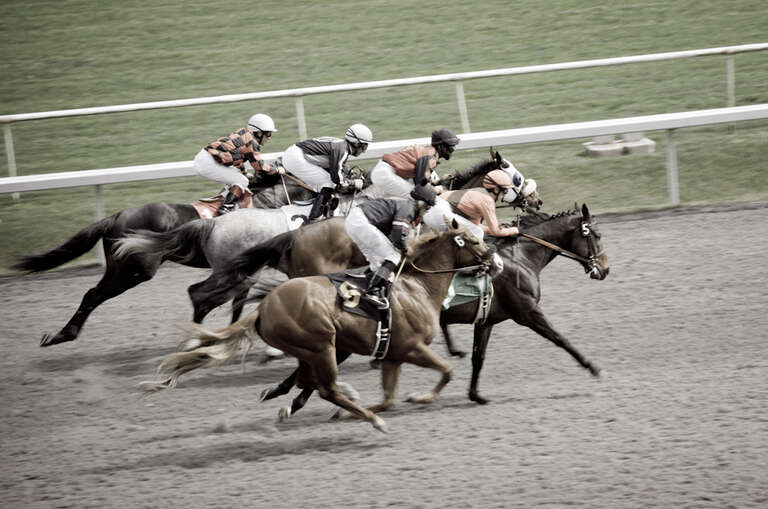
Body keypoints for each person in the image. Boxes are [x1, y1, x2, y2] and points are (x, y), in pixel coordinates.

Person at [344, 195, 428, 309]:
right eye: (427, 208)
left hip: (352, 221)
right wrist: (405, 249)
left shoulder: (406, 204)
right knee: (394, 256)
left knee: (377, 263)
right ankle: (372, 292)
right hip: (362, 221)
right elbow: (397, 236)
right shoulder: (408, 208)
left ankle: (364, 285)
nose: (425, 213)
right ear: (422, 205)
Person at [281, 123, 372, 221]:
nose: (363, 151)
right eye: (364, 146)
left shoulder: (342, 146)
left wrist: (352, 177)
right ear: (356, 143)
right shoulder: (342, 150)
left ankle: (316, 209)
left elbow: (341, 168)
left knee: (326, 183)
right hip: (295, 158)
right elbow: (338, 180)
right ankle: (313, 220)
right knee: (328, 183)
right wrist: (354, 183)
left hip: (294, 154)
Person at [194, 113, 280, 215]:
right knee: (241, 181)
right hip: (208, 163)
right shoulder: (252, 143)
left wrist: (244, 172)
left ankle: (223, 201)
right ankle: (225, 208)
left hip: (206, 157)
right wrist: (278, 170)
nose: (269, 138)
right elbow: (259, 167)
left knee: (239, 178)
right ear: (259, 133)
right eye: (268, 134)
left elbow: (237, 158)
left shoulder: (243, 133)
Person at [369, 127, 459, 205]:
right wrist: (441, 192)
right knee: (420, 197)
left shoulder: (429, 152)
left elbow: (419, 181)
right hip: (386, 174)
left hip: (385, 171)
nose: (453, 149)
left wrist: (437, 184)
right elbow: (421, 187)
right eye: (450, 147)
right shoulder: (430, 157)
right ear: (440, 146)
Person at [427, 169, 524, 238]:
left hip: (431, 211)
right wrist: (513, 230)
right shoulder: (487, 200)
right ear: (496, 189)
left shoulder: (478, 192)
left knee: (475, 230)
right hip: (438, 212)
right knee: (477, 233)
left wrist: (501, 230)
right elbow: (495, 232)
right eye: (505, 191)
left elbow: (476, 225)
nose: (505, 194)